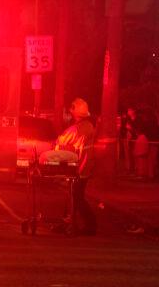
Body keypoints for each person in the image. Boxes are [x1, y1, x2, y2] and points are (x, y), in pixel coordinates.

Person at [55, 98, 97, 235]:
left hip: (80, 167)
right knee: (74, 196)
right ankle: (68, 222)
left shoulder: (77, 129)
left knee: (76, 197)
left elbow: (61, 140)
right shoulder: (88, 126)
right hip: (85, 165)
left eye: (72, 110)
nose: (70, 113)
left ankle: (90, 225)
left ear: (76, 113)